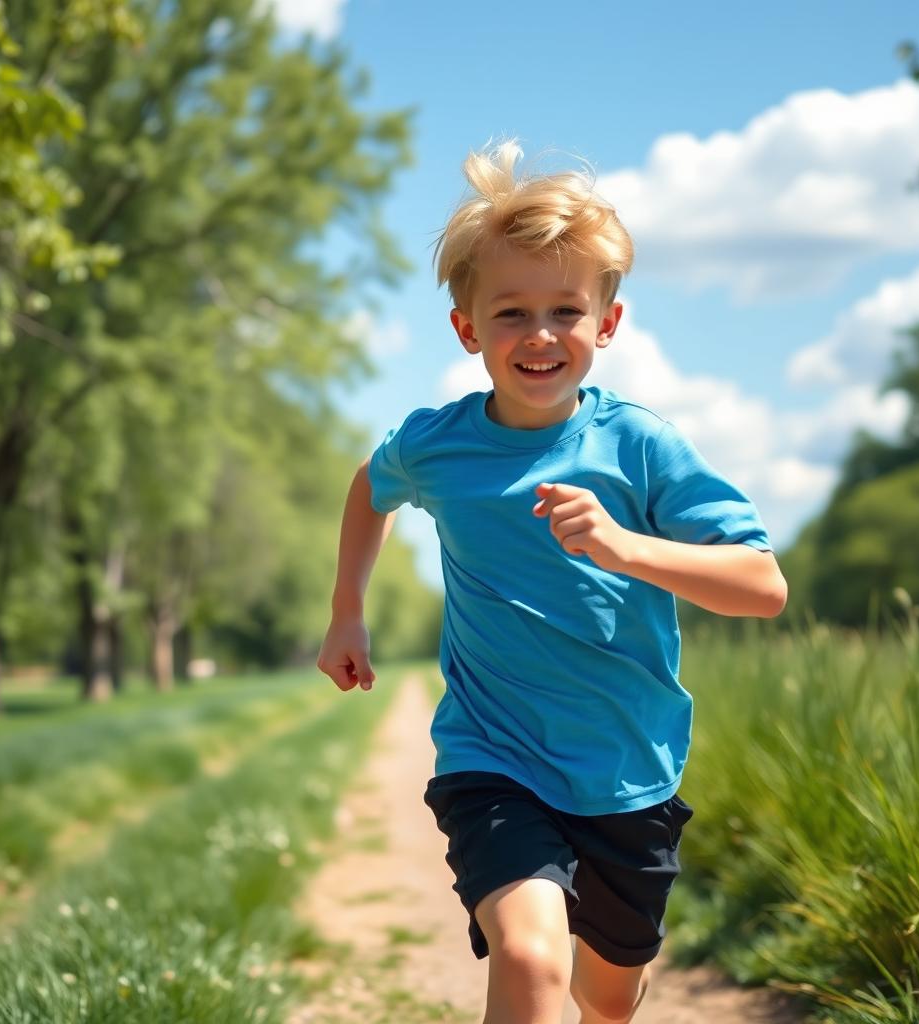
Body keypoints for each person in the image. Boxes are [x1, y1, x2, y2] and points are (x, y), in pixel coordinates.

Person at [316, 140, 788, 1024]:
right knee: (529, 960)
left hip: (626, 772)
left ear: (606, 323)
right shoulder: (438, 446)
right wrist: (348, 611)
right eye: (510, 313)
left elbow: (763, 586)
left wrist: (627, 549)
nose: (539, 334)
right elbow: (369, 486)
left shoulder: (641, 446)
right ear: (467, 330)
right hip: (493, 758)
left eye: (566, 309)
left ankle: (605, 976)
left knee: (605, 1000)